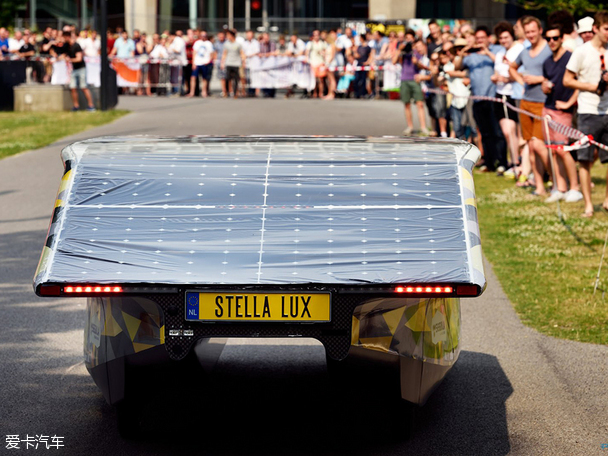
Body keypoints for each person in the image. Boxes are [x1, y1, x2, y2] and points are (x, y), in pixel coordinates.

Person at [564, 12, 608, 217]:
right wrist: (592, 87)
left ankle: (607, 199)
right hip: (588, 112)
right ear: (596, 28)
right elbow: (567, 80)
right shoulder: (582, 51)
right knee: (585, 160)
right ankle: (588, 205)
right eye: (606, 29)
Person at [509, 16, 553, 195]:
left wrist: (540, 79)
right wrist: (521, 81)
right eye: (527, 32)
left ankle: (558, 180)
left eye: (533, 31)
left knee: (539, 146)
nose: (530, 35)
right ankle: (540, 185)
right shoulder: (525, 51)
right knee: (530, 146)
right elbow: (512, 67)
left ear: (540, 30)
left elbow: (558, 76)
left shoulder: (549, 49)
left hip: (543, 103)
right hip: (526, 102)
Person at [456, 26, 508, 173]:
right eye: (477, 39)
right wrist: (465, 50)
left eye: (482, 38)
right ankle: (490, 163)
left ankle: (503, 162)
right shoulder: (471, 56)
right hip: (477, 100)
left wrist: (486, 52)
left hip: (492, 98)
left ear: (488, 38)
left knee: (497, 132)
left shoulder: (496, 50)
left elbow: (501, 63)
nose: (480, 41)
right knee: (485, 133)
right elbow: (458, 66)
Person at [541, 24, 582, 203]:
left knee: (564, 150)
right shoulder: (547, 61)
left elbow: (579, 84)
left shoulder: (570, 58)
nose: (552, 41)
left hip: (564, 111)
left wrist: (569, 103)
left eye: (555, 38)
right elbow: (547, 82)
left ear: (561, 38)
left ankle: (575, 188)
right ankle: (560, 187)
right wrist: (544, 87)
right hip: (548, 108)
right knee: (553, 150)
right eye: (548, 38)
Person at [492, 21, 524, 176]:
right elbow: (498, 71)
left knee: (516, 132)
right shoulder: (499, 53)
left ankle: (518, 163)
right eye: (501, 38)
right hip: (500, 94)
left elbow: (520, 72)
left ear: (512, 36)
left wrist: (507, 78)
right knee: (507, 131)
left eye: (506, 37)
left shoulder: (519, 50)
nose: (503, 41)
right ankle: (514, 162)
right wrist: (496, 78)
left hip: (515, 94)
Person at [393, 36, 431, 136]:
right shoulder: (404, 53)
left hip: (415, 80)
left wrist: (416, 62)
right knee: (407, 104)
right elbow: (394, 61)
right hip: (404, 79)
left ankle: (423, 127)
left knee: (420, 104)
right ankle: (410, 126)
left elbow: (422, 66)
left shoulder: (417, 53)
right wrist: (399, 49)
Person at [53, 31, 96, 111]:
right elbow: (64, 54)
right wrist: (57, 59)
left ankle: (91, 105)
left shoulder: (76, 45)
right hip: (74, 69)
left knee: (84, 87)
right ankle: (76, 106)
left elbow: (79, 59)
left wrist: (70, 60)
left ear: (68, 37)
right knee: (73, 88)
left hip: (81, 69)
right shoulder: (67, 46)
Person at [221, 29, 246, 98]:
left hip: (236, 63)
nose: (227, 36)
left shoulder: (238, 44)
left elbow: (242, 53)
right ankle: (226, 92)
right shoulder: (226, 44)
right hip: (228, 63)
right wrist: (222, 63)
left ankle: (235, 93)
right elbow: (224, 54)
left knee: (236, 79)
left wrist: (243, 62)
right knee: (227, 78)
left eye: (229, 35)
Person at [189, 31, 214, 98]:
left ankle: (204, 92)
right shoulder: (197, 43)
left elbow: (211, 53)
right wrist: (193, 63)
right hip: (197, 62)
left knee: (204, 78)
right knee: (193, 77)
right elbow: (194, 52)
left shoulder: (209, 43)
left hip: (205, 63)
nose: (203, 37)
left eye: (204, 35)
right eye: (202, 35)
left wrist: (209, 61)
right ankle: (192, 92)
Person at [306, 30, 328, 98]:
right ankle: (315, 93)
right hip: (313, 63)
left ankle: (321, 93)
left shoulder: (323, 43)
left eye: (317, 35)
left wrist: (323, 54)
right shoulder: (310, 43)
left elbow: (326, 52)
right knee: (314, 79)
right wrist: (307, 60)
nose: (316, 36)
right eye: (315, 35)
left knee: (321, 79)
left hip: (321, 62)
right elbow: (307, 53)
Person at [214, 30, 227, 97]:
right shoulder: (216, 43)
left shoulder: (227, 42)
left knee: (228, 77)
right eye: (220, 37)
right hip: (219, 62)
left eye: (222, 36)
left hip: (227, 61)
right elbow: (215, 52)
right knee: (222, 77)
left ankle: (230, 91)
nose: (221, 38)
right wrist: (215, 60)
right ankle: (224, 91)